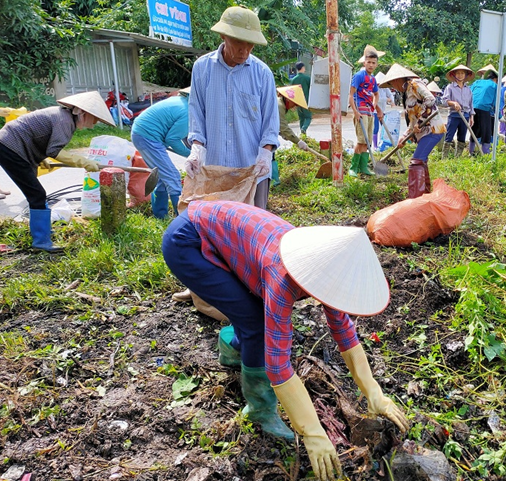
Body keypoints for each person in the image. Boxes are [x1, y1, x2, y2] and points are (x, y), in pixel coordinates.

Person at [162, 201, 408, 481]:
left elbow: (342, 328)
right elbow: (278, 366)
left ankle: (232, 348)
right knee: (257, 323)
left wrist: (373, 392)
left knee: (252, 309)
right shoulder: (284, 275)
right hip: (187, 243)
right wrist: (312, 432)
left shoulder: (324, 265)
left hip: (223, 236)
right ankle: (260, 410)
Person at [186, 6, 279, 211]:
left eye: (250, 45)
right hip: (215, 169)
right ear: (223, 35)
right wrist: (197, 148)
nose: (244, 50)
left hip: (252, 169)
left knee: (251, 228)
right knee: (216, 227)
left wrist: (265, 154)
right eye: (238, 42)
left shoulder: (263, 74)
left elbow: (271, 123)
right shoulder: (202, 68)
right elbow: (196, 113)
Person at [0, 91, 114, 251]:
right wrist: (83, 161)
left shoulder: (63, 117)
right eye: (94, 118)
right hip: (11, 148)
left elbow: (41, 140)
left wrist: (43, 159)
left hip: (14, 147)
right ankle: (41, 241)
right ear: (82, 112)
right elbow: (54, 150)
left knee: (36, 194)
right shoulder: (64, 121)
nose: (94, 123)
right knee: (37, 194)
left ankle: (43, 232)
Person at [379, 63, 446, 198]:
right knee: (421, 161)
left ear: (398, 80)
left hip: (433, 128)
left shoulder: (414, 85)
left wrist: (421, 121)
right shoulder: (405, 95)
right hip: (423, 131)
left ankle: (416, 199)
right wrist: (404, 137)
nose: (393, 87)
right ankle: (425, 196)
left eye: (392, 83)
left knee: (416, 162)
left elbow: (431, 100)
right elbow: (412, 120)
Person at [130, 88, 190, 219]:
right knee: (173, 176)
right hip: (147, 137)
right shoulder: (188, 112)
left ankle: (160, 216)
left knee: (162, 176)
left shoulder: (180, 102)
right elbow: (172, 139)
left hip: (142, 134)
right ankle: (182, 220)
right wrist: (190, 155)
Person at [348, 45, 384, 176]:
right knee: (361, 141)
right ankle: (353, 167)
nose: (371, 65)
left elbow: (376, 94)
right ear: (364, 62)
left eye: (373, 63)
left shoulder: (373, 79)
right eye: (368, 62)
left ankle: (363, 167)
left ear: (376, 64)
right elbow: (351, 95)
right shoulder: (359, 76)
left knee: (368, 142)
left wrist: (375, 107)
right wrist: (355, 112)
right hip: (361, 112)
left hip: (369, 112)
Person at [275, 85, 311, 186]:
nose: (293, 107)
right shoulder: (279, 105)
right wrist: (297, 141)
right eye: (294, 104)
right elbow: (283, 126)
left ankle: (273, 180)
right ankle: (273, 181)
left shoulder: (279, 104)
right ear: (288, 99)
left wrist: (281, 133)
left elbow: (277, 125)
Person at [442, 65, 475, 158]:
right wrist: (454, 103)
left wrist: (472, 117)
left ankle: (458, 158)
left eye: (462, 73)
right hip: (454, 115)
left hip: (465, 115)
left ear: (465, 75)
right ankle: (444, 158)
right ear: (454, 75)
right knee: (449, 136)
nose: (460, 75)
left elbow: (471, 104)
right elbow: (445, 101)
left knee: (462, 137)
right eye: (458, 73)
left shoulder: (468, 89)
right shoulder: (450, 87)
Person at [469, 68, 498, 155]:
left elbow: (470, 92)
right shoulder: (494, 85)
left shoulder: (477, 82)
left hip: (473, 108)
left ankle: (471, 151)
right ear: (495, 79)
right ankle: (485, 152)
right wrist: (499, 115)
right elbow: (496, 102)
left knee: (475, 129)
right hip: (484, 109)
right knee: (486, 131)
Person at [374, 72, 395, 149]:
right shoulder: (374, 87)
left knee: (385, 128)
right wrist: (387, 99)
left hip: (383, 111)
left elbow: (390, 94)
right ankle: (375, 146)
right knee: (375, 129)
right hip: (375, 112)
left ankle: (383, 143)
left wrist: (392, 102)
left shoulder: (385, 87)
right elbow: (376, 99)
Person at [290, 62, 312, 135]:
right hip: (306, 100)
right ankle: (304, 128)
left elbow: (292, 92)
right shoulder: (307, 78)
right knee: (308, 117)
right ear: (302, 68)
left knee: (301, 118)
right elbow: (311, 88)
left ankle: (303, 135)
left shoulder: (293, 79)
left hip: (298, 101)